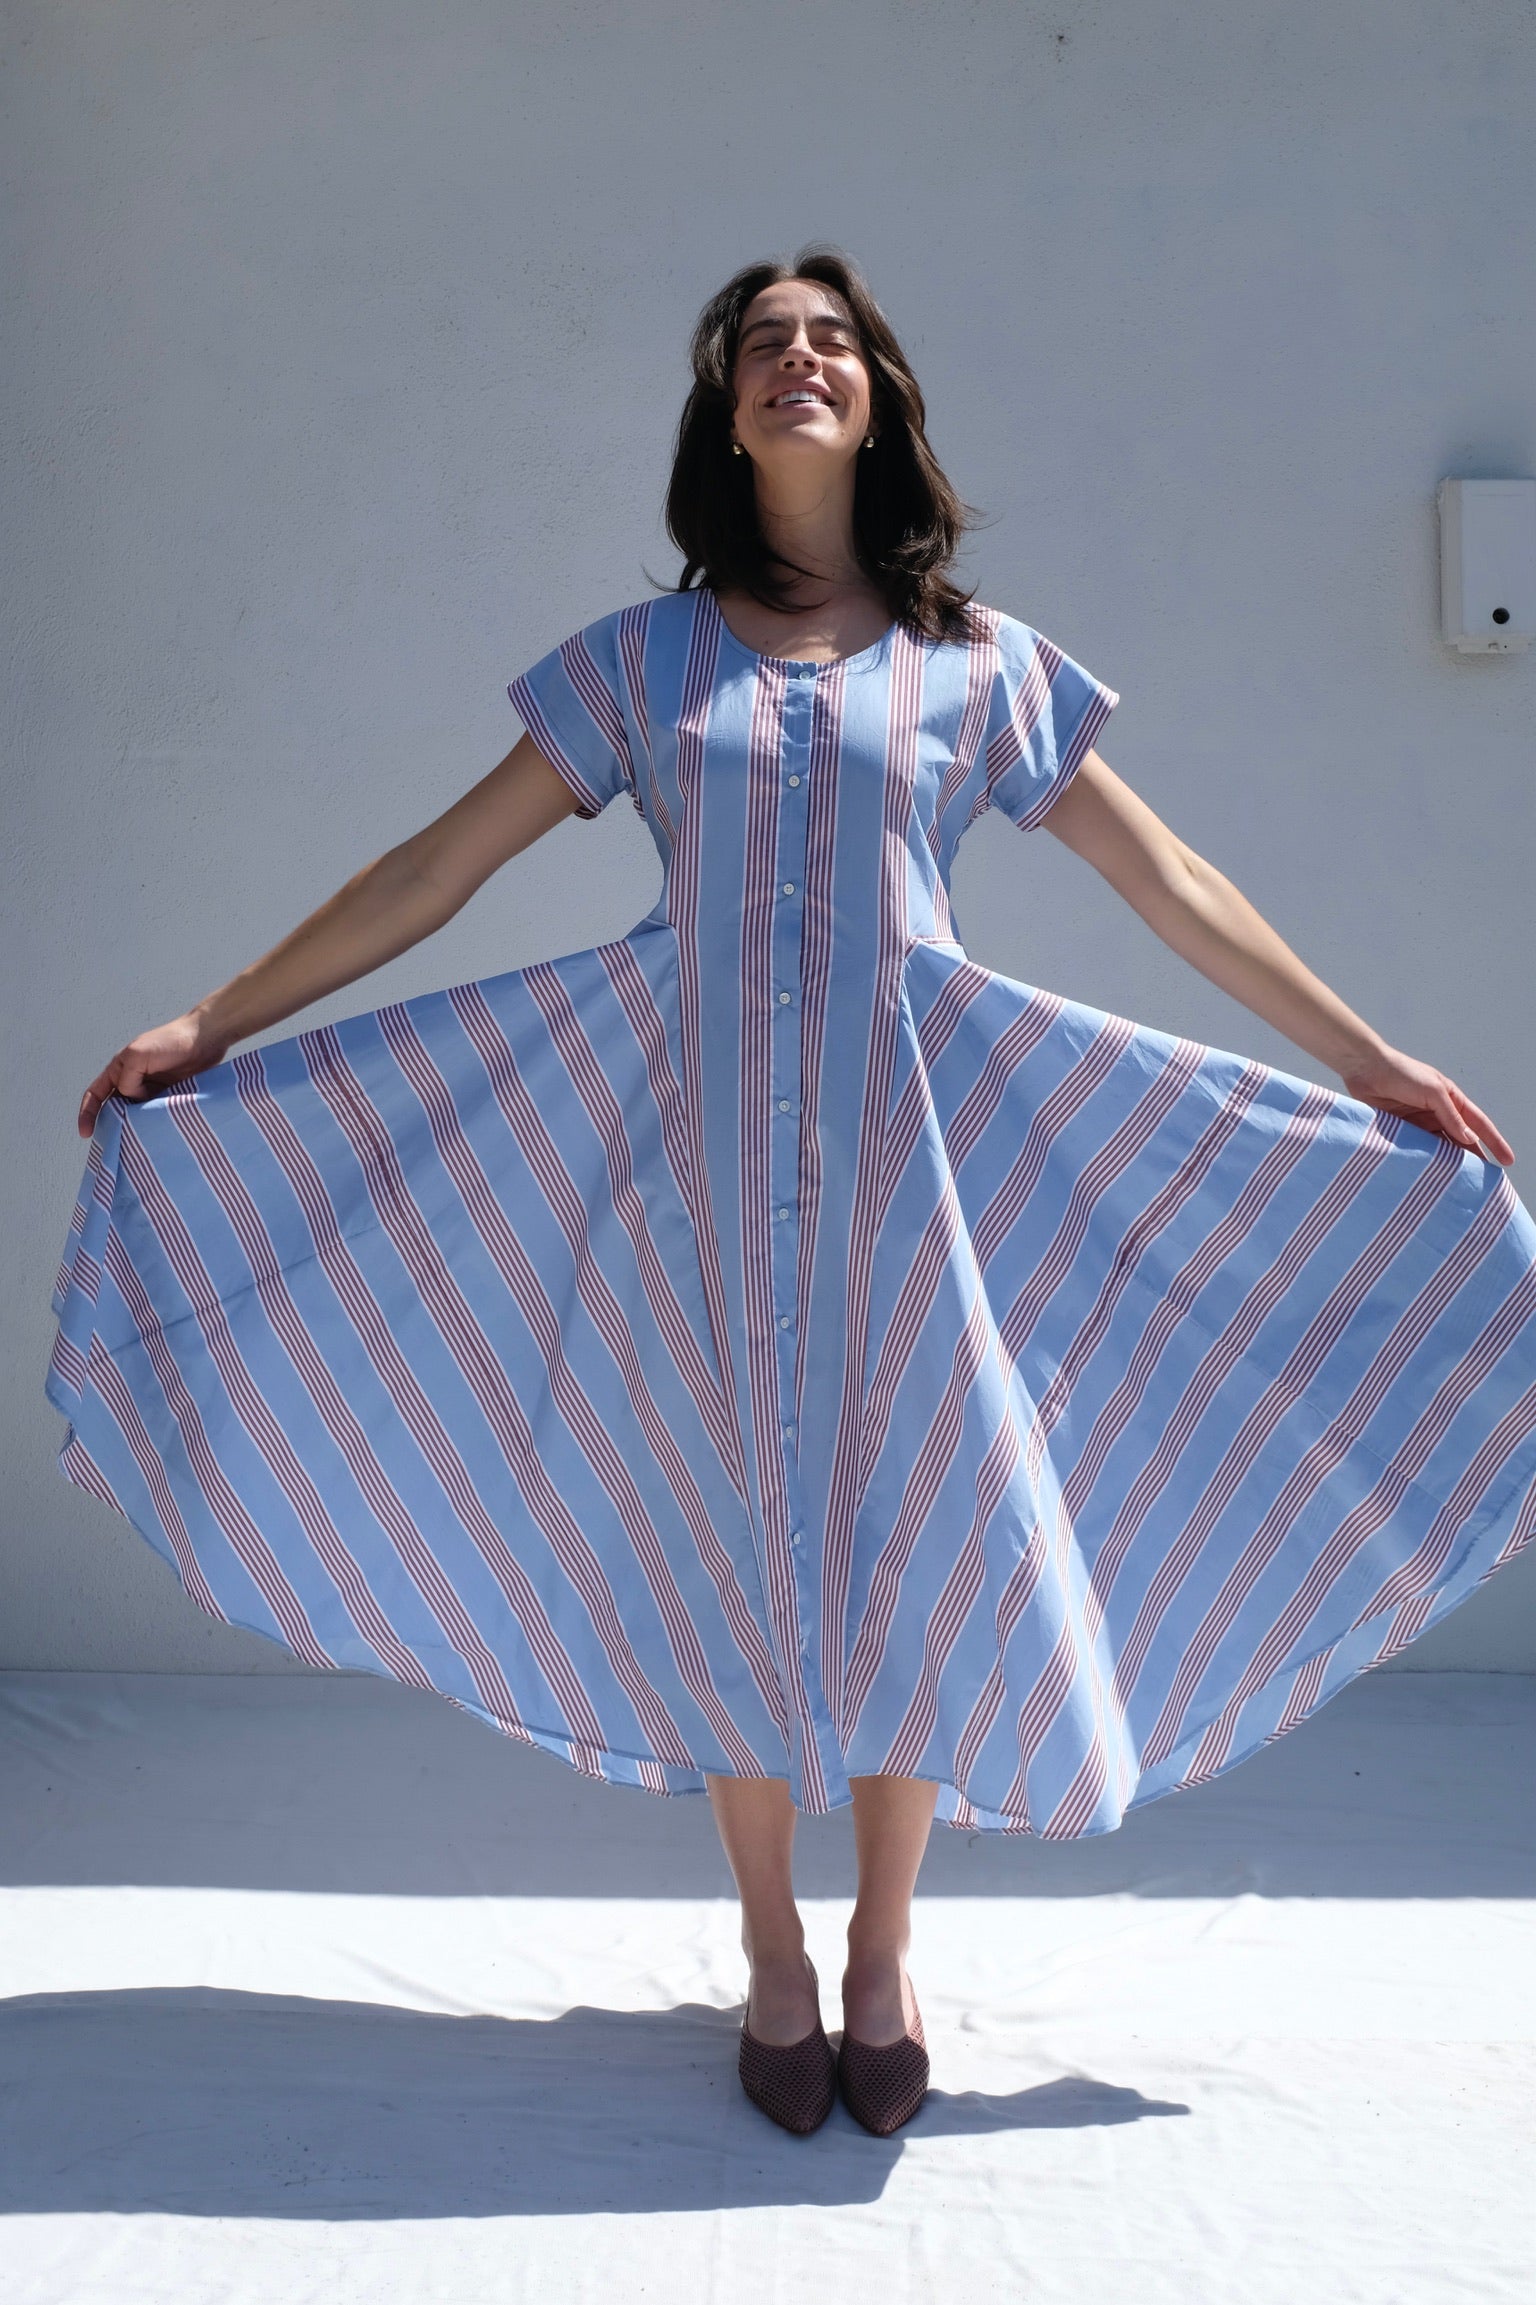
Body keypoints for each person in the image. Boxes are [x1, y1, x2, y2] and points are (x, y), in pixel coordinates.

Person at [53, 246, 1536, 2143]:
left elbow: (1169, 880)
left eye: (829, 339)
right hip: (697, 1173)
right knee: (734, 1528)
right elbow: (434, 869)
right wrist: (213, 1013)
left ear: (880, 397)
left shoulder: (973, 659)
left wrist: (1365, 1057)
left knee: (918, 1512)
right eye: (762, 344)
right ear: (726, 411)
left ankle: (886, 1949)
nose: (797, 360)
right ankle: (769, 1942)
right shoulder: (642, 661)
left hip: (914, 1170)